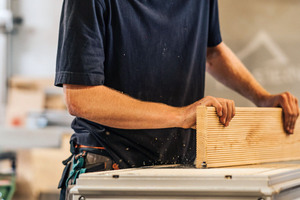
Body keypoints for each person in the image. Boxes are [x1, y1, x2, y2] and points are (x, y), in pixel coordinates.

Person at [55, 0, 299, 199]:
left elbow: (212, 51)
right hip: (109, 165)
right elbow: (82, 97)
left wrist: (261, 97)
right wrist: (181, 115)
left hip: (179, 165)